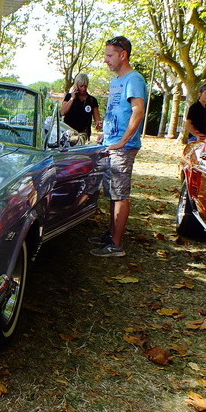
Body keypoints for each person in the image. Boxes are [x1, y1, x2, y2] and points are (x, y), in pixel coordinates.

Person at [87, 36, 147, 257]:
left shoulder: (134, 79)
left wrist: (122, 142)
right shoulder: (116, 82)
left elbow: (138, 111)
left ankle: (116, 245)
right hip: (111, 145)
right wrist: (105, 136)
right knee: (112, 193)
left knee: (120, 194)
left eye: (109, 55)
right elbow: (116, 113)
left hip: (123, 147)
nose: (106, 60)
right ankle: (111, 235)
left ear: (123, 55)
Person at [60, 72, 102, 143]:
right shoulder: (69, 97)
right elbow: (63, 112)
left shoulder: (92, 100)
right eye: (81, 86)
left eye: (85, 86)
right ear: (76, 85)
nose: (83, 88)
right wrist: (72, 98)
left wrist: (99, 124)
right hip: (68, 133)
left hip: (83, 134)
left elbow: (97, 119)